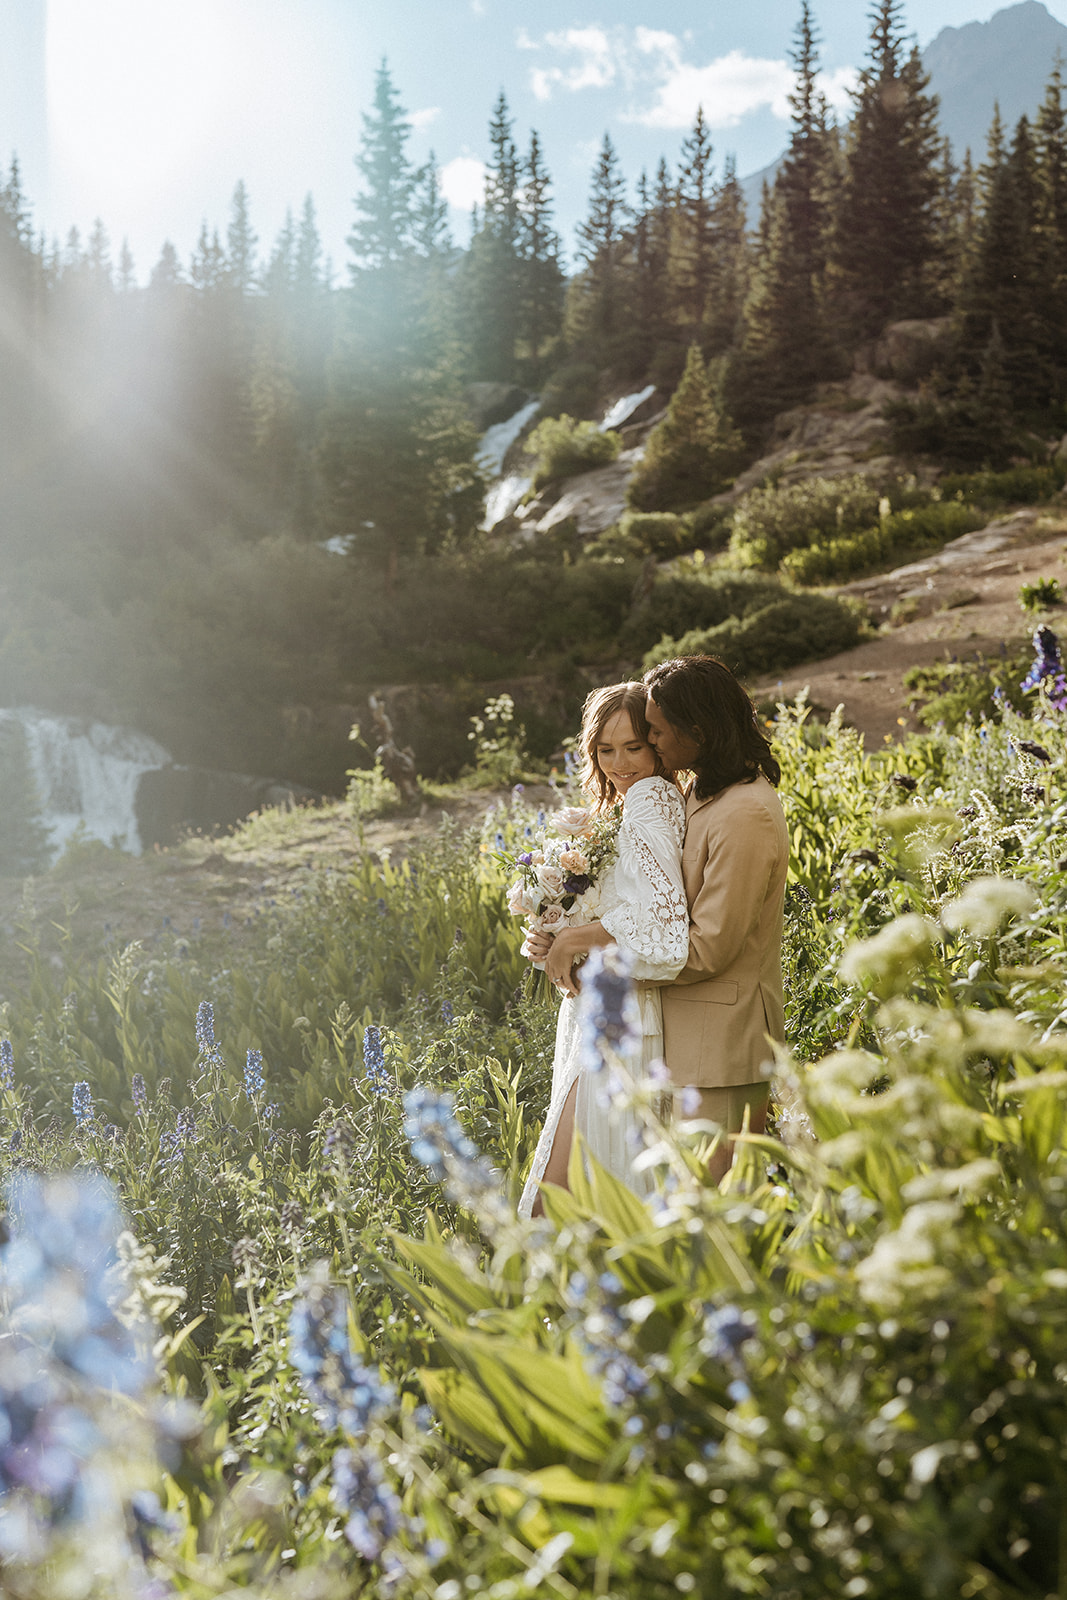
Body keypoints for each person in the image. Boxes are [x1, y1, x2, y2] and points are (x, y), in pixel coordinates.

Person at [517, 682, 688, 1219]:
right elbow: (629, 903)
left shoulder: (651, 798)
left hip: (624, 1014)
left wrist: (576, 938)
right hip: (599, 1009)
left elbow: (664, 931)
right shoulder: (623, 808)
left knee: (565, 1198)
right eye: (605, 750)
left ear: (659, 744)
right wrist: (555, 926)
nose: (619, 763)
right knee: (581, 1192)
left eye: (634, 746)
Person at [643, 655, 788, 1181]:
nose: (651, 739)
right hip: (691, 1043)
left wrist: (607, 961)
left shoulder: (745, 813)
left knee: (720, 1210)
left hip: (723, 1046)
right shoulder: (703, 791)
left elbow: (709, 947)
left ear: (697, 730)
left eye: (658, 730)